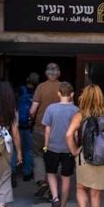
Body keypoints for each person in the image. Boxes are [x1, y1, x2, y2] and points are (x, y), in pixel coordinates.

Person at [42, 81, 78, 207]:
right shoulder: (76, 110)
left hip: (52, 147)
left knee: (51, 173)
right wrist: (75, 146)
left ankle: (55, 197)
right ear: (72, 94)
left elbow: (47, 129)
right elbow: (75, 133)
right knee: (66, 177)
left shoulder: (51, 108)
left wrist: (46, 145)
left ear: (58, 93)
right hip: (68, 148)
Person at [29, 63, 61, 198]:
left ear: (47, 74)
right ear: (58, 73)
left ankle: (42, 182)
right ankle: (52, 189)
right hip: (58, 129)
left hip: (40, 127)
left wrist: (32, 118)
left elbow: (32, 110)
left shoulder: (41, 87)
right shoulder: (63, 87)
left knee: (38, 155)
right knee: (55, 158)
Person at [16, 72, 39, 182]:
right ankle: (27, 173)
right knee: (28, 150)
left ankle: (12, 173)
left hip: (17, 125)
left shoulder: (20, 90)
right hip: (29, 126)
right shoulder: (36, 93)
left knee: (15, 149)